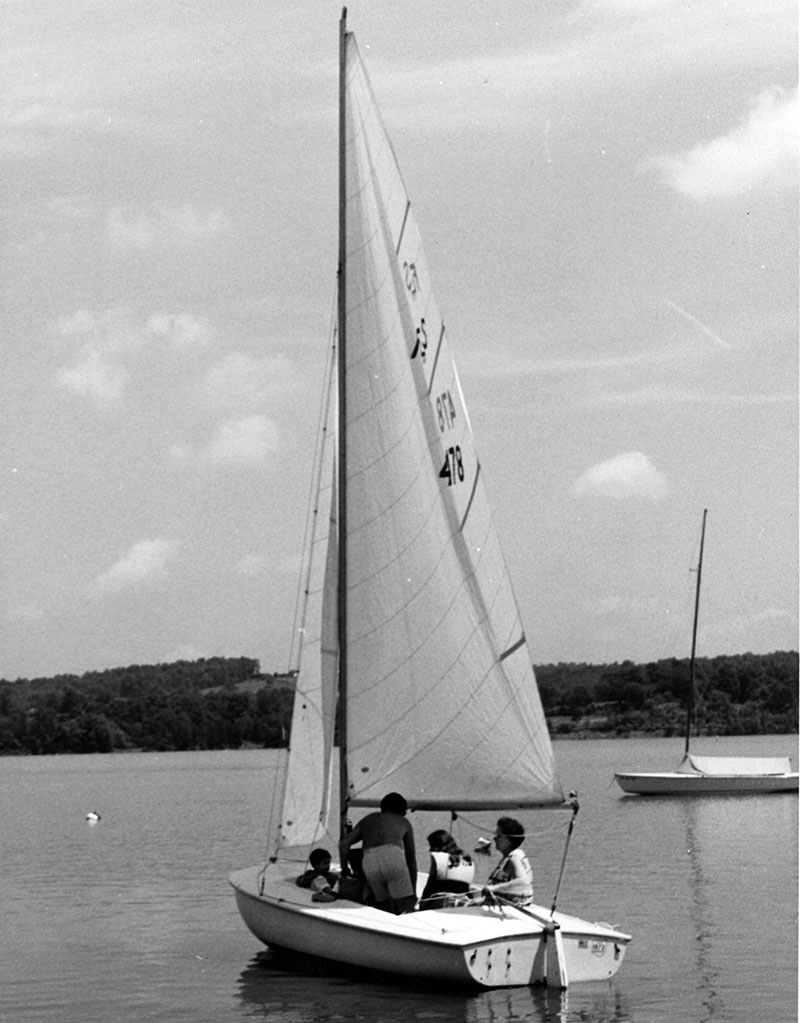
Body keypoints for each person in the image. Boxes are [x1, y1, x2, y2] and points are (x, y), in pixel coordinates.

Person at [338, 792, 417, 914]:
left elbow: (344, 844)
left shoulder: (369, 819)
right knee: (405, 907)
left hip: (369, 861)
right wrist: (413, 892)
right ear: (402, 810)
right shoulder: (404, 822)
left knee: (383, 908)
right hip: (392, 857)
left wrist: (344, 869)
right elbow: (411, 859)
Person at [481, 816, 533, 907]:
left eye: (499, 836)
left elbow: (524, 882)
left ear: (509, 840)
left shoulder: (514, 859)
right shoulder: (515, 855)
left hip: (509, 909)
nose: (494, 838)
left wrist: (494, 888)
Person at [419, 829, 474, 908]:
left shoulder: (438, 858)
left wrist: (422, 904)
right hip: (462, 902)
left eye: (432, 846)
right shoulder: (468, 860)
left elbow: (429, 886)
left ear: (439, 845)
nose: (430, 850)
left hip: (440, 903)